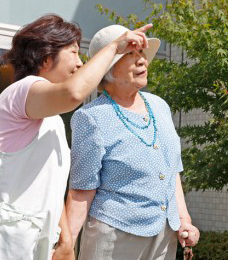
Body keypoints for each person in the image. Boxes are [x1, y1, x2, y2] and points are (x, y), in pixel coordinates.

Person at [0, 14, 152, 260]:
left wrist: (66, 240)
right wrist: (114, 47)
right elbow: (73, 93)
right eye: (74, 52)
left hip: (32, 243)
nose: (80, 64)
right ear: (46, 58)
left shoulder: (53, 120)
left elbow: (51, 186)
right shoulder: (19, 92)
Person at [67, 24, 200, 260]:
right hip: (114, 235)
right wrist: (66, 246)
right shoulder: (91, 117)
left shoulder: (159, 106)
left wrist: (184, 219)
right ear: (108, 70)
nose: (141, 61)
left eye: (142, 54)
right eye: (130, 54)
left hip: (164, 235)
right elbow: (81, 190)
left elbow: (172, 171)